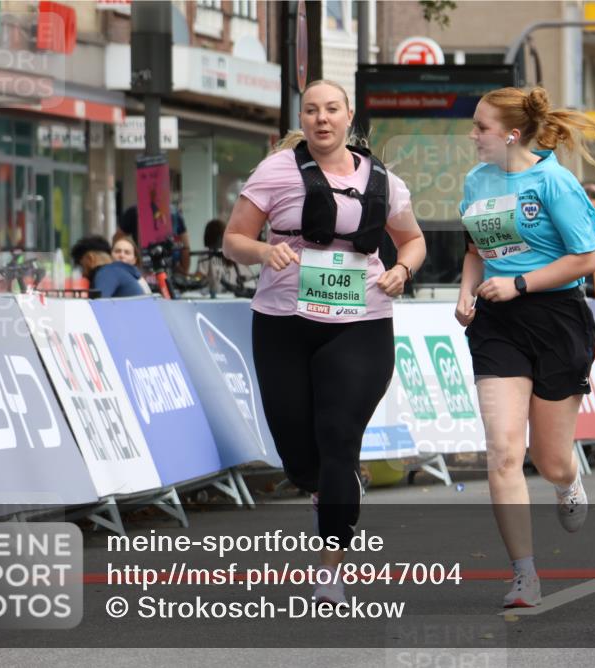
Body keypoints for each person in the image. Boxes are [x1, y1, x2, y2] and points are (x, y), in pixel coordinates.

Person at [222, 79, 426, 606]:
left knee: (338, 436)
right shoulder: (275, 171)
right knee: (299, 456)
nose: (321, 119)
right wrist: (266, 254)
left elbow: (413, 240)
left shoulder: (382, 179)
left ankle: (330, 566)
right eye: (311, 110)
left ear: (348, 115)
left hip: (362, 321)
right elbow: (234, 240)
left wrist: (403, 269)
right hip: (283, 321)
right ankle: (324, 486)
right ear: (303, 118)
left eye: (331, 109)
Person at [454, 86, 595, 608]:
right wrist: (465, 292)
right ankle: (524, 574)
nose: (473, 136)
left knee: (549, 459)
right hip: (497, 323)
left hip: (556, 319)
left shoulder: (555, 183)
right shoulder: (478, 181)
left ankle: (568, 481)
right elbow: (476, 249)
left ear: (512, 134)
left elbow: (586, 259)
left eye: (481, 128)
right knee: (502, 452)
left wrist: (520, 284)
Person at [70, 235, 151, 298]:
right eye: (117, 251)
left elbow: (98, 306)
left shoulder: (106, 273)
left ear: (90, 258)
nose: (83, 274)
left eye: (82, 266)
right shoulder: (118, 272)